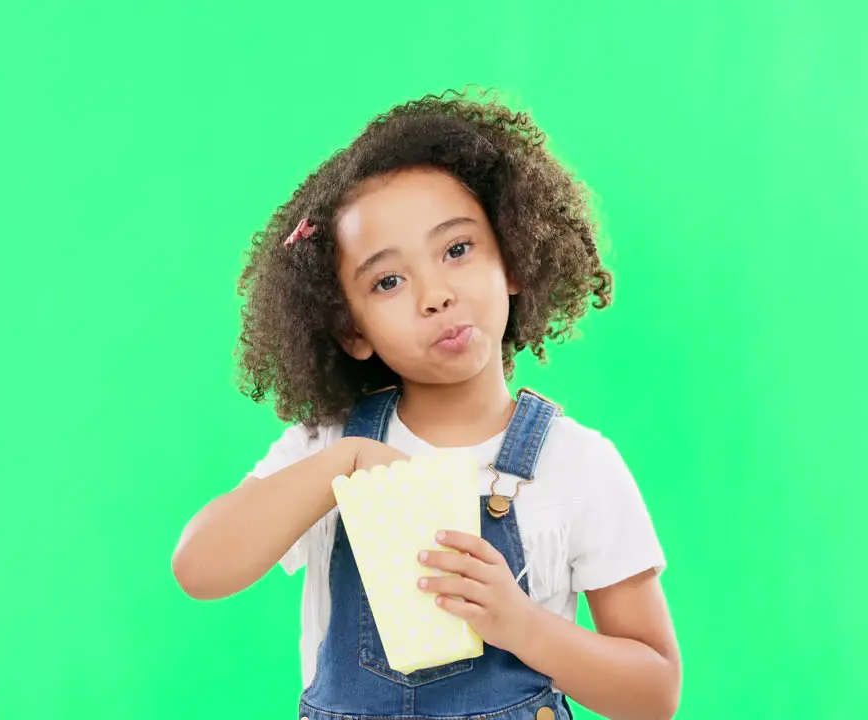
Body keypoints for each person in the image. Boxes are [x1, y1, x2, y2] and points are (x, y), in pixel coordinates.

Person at [173, 89, 681, 720]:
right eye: (388, 281)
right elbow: (199, 568)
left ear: (514, 259)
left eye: (457, 249)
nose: (434, 294)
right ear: (350, 330)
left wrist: (520, 624)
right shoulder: (329, 448)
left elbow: (654, 696)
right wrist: (343, 466)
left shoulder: (576, 465)